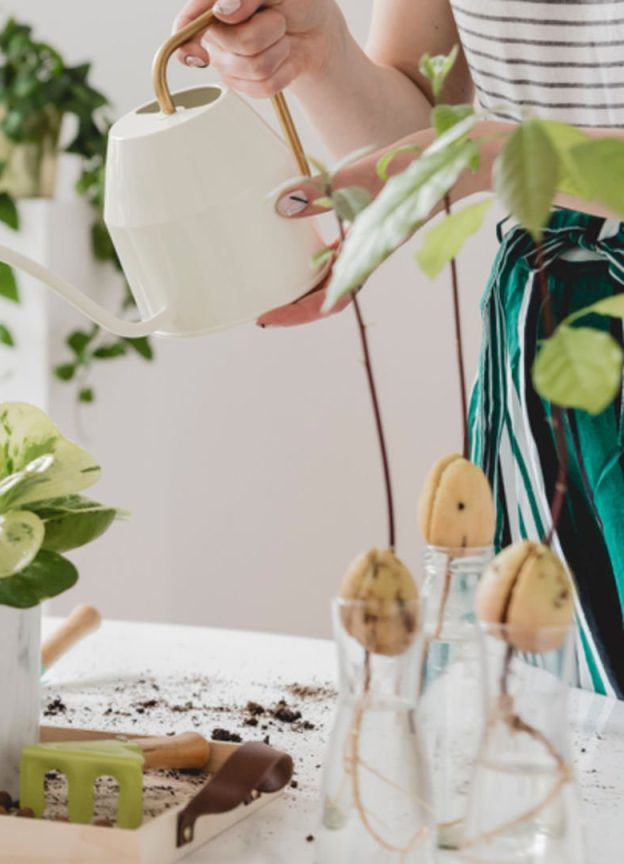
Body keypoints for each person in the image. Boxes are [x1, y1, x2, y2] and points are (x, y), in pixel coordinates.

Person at [171, 0, 624, 697]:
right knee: (569, 741)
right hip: (555, 342)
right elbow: (421, 126)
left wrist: (499, 155)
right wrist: (320, 50)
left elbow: (467, 156)